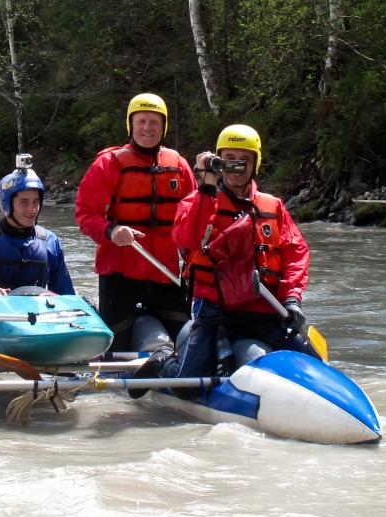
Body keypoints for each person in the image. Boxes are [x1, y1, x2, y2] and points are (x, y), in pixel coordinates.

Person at [137, 124, 319, 391]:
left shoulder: (272, 206)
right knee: (185, 386)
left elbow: (295, 253)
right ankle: (163, 360)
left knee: (314, 362)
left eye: (244, 160)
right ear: (219, 162)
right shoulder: (197, 201)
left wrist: (292, 297)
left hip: (264, 310)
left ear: (255, 164)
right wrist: (207, 188)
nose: (236, 167)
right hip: (214, 311)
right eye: (229, 159)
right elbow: (187, 238)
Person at [75, 93, 196, 352]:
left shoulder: (178, 165)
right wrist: (111, 229)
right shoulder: (109, 163)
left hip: (165, 273)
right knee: (116, 346)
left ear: (163, 127)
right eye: (141, 121)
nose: (147, 128)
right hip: (120, 274)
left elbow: (193, 221)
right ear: (130, 125)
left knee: (187, 341)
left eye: (154, 122)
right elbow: (85, 215)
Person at [0, 158, 75, 300]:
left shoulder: (51, 242)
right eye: (24, 202)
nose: (32, 210)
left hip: (35, 311)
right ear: (7, 204)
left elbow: (66, 294)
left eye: (36, 202)